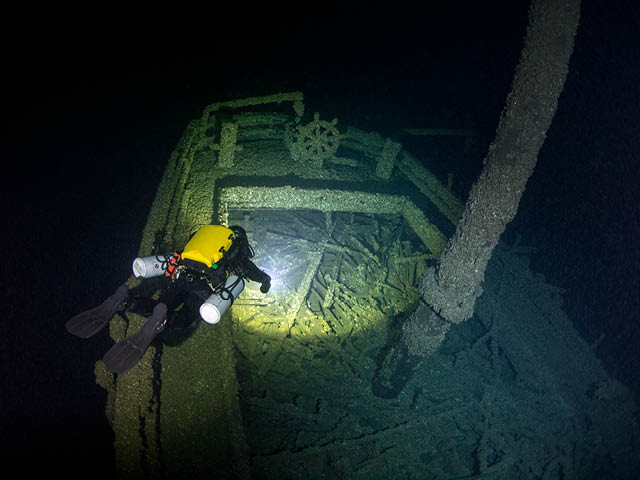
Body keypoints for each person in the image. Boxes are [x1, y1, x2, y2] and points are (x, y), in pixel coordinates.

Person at [66, 224, 270, 374]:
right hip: (203, 288)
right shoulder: (234, 252)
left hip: (181, 275)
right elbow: (252, 271)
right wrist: (265, 281)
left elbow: (181, 254)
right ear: (240, 240)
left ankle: (126, 301)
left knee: (161, 305)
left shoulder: (207, 241)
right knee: (182, 319)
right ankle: (160, 320)